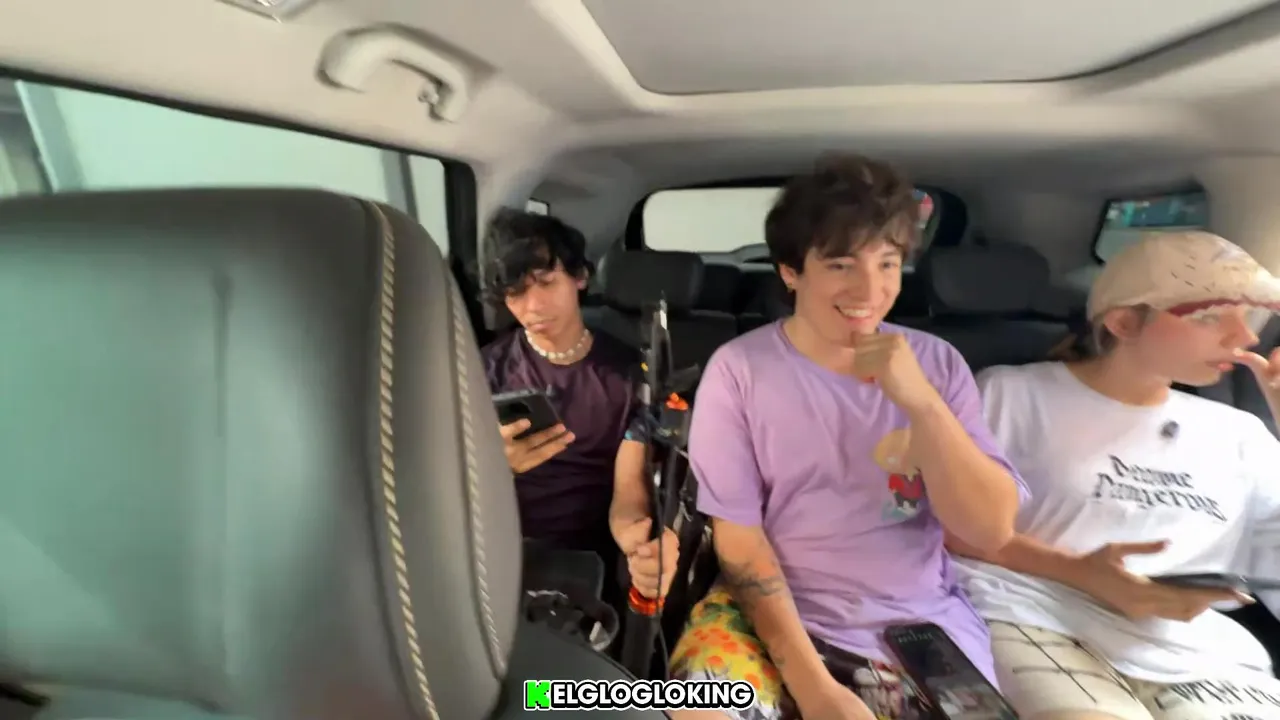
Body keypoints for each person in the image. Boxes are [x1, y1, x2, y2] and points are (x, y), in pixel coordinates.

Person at [666, 154, 1029, 720]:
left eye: (887, 263)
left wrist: (921, 403)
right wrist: (813, 687)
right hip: (764, 614)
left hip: (917, 622)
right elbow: (740, 543)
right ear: (791, 271)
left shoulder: (938, 364)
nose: (870, 288)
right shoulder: (739, 370)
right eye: (840, 264)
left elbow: (989, 529)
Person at [951, 230, 1280, 720]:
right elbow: (953, 530)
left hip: (1191, 648)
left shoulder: (1240, 433)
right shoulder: (1011, 394)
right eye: (1210, 317)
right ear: (1124, 322)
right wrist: (1085, 575)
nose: (1245, 337)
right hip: (1032, 613)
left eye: (1247, 317)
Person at [480, 208, 677, 601]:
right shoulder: (483, 371)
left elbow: (629, 489)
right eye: (516, 292)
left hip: (592, 560)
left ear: (580, 277)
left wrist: (637, 541)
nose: (533, 306)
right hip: (502, 555)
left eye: (546, 283)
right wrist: (493, 466)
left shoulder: (629, 376)